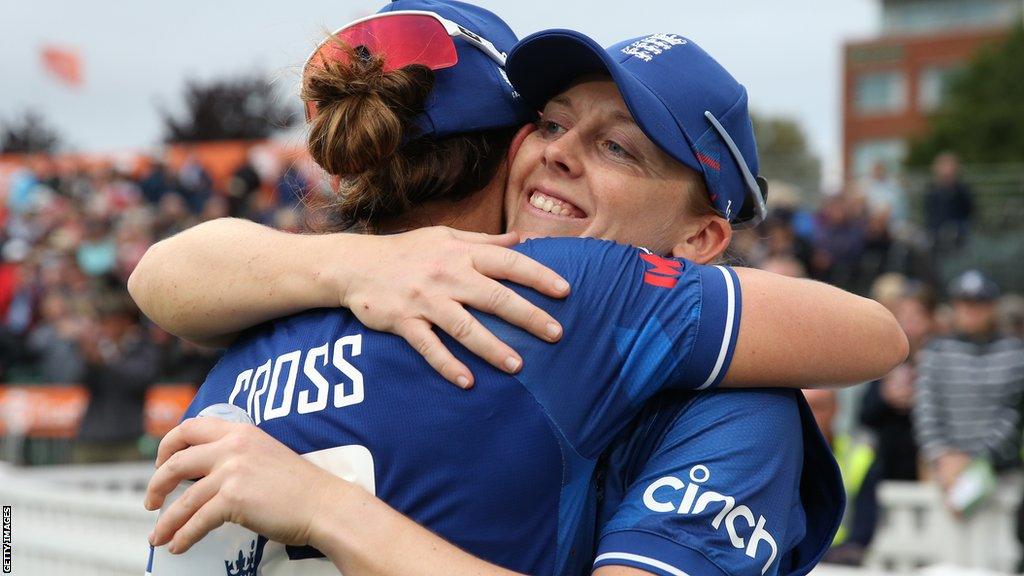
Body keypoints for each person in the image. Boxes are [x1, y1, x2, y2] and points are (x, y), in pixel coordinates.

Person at [136, 5, 905, 575]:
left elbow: (159, 275)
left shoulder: (261, 315)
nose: (562, 152)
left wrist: (322, 504)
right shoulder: (572, 289)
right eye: (549, 122)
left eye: (617, 147)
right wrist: (325, 508)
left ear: (703, 240)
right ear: (507, 147)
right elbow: (878, 333)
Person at [913, 270, 1024, 506]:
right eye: (964, 304)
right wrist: (941, 455)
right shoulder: (936, 351)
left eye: (979, 304)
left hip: (1000, 471)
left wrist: (975, 459)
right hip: (945, 472)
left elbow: (1013, 413)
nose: (971, 311)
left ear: (992, 307)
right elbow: (926, 408)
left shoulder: (1016, 352)